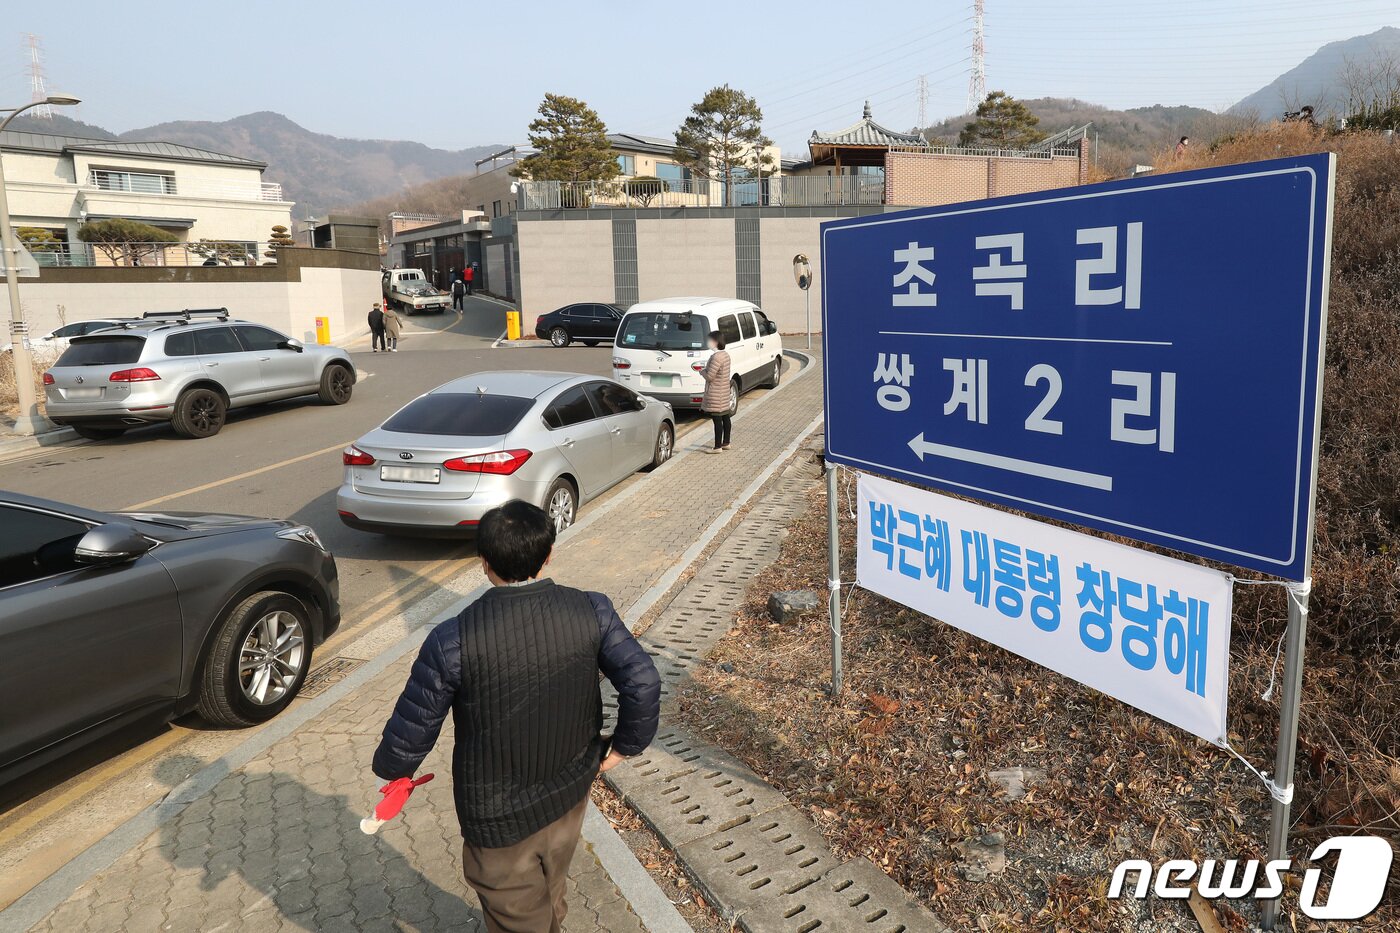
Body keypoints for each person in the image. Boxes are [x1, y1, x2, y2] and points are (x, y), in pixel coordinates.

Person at [372, 500, 661, 933]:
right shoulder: (592, 611)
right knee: (552, 887)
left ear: (484, 563)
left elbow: (414, 728)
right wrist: (622, 748)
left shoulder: (452, 639)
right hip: (569, 793)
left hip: (496, 819)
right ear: (548, 556)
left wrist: (395, 771)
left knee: (517, 914)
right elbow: (643, 681)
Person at [701, 329, 733, 453]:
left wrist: (701, 370)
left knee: (717, 420)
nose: (707, 343)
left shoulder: (716, 357)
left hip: (715, 393)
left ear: (715, 342)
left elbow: (710, 377)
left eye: (709, 341)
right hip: (723, 392)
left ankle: (717, 447)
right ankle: (726, 442)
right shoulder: (725, 355)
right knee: (725, 417)